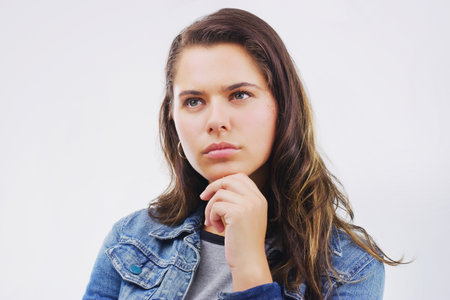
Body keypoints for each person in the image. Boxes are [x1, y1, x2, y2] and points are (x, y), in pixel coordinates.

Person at [83, 8, 401, 300]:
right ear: (172, 116)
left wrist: (249, 266)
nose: (216, 121)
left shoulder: (350, 268)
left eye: (239, 94)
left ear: (283, 106)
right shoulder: (130, 241)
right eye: (194, 101)